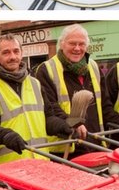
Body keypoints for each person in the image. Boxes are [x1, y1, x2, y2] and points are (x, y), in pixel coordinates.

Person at [0, 36, 83, 166]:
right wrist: (5, 135)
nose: (12, 57)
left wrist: (61, 126)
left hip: (41, 163)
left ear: (21, 53)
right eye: (6, 52)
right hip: (9, 168)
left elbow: (47, 117)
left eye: (16, 51)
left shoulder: (35, 84)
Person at [31, 24, 107, 153]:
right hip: (66, 147)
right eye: (72, 43)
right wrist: (73, 124)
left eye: (81, 44)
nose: (77, 48)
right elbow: (50, 109)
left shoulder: (93, 66)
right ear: (62, 44)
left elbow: (105, 104)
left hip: (95, 143)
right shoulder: (46, 69)